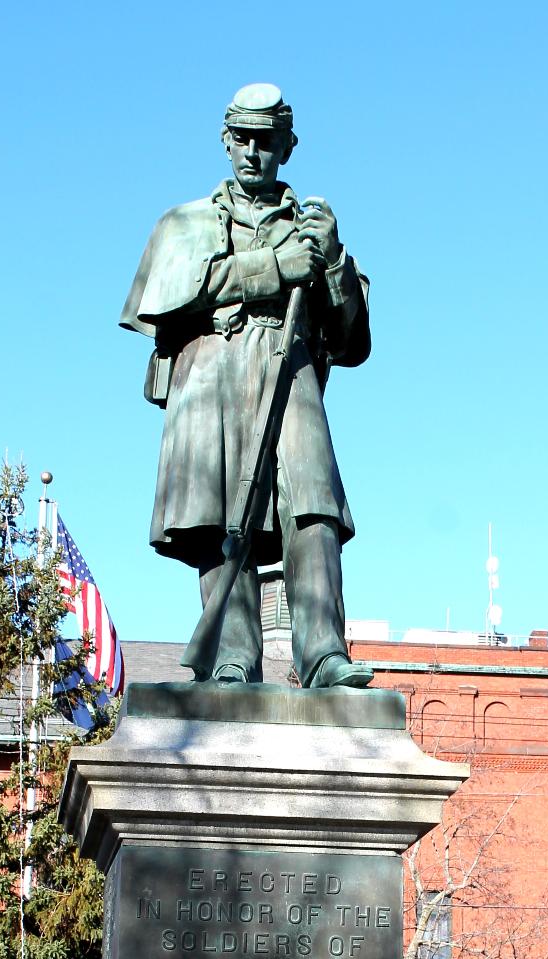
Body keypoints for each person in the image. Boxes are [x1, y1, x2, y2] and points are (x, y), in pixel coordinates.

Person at [121, 82, 373, 688]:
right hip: (210, 369)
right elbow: (169, 296)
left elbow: (353, 337)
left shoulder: (313, 231)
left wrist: (332, 264)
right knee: (218, 516)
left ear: (288, 144)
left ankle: (323, 655)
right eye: (242, 140)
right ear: (225, 141)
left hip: (290, 370)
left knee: (313, 506)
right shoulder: (186, 221)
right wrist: (274, 269)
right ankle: (234, 656)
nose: (252, 153)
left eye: (266, 141)